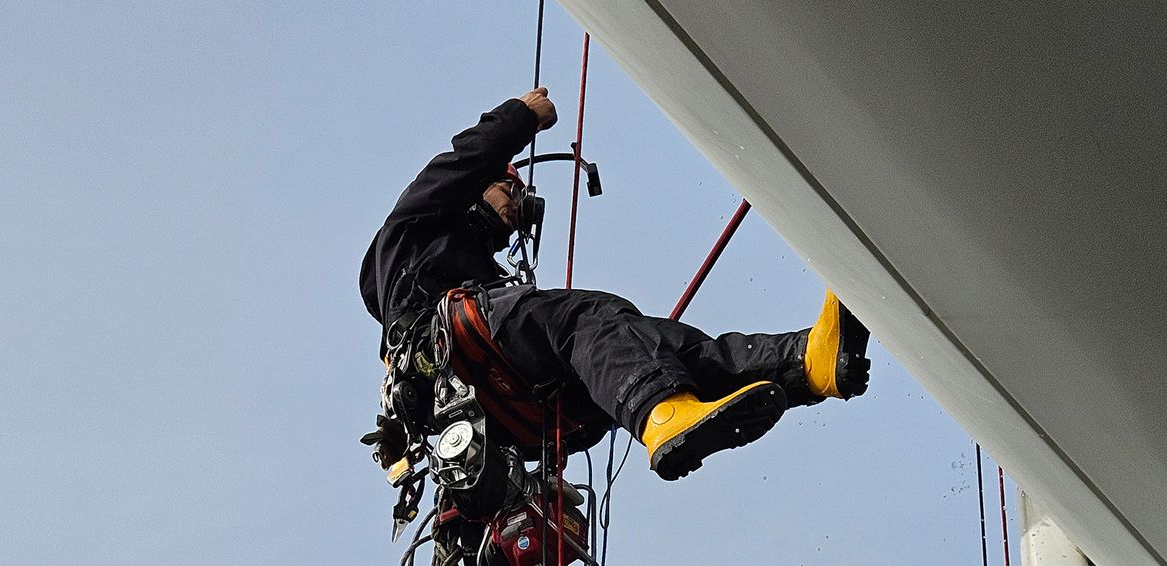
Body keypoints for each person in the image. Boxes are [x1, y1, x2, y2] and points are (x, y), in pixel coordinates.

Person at [361, 87, 870, 483]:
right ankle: (660, 412)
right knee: (591, 319)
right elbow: (460, 163)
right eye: (508, 188)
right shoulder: (409, 234)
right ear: (476, 192)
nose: (517, 206)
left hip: (529, 410)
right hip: (462, 350)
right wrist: (519, 115)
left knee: (656, 346)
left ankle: (809, 364)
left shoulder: (485, 277)